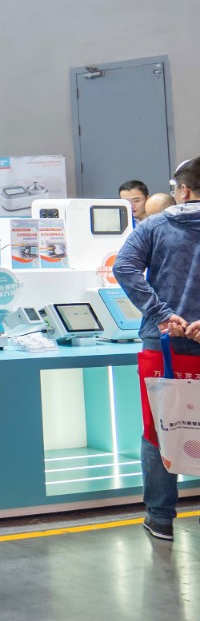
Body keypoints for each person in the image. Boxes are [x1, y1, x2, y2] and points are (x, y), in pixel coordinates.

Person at [113, 156, 200, 541]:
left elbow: (124, 267)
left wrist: (162, 314)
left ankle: (161, 518)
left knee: (160, 427)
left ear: (184, 190)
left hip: (164, 344)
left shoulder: (154, 226)